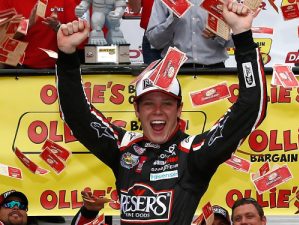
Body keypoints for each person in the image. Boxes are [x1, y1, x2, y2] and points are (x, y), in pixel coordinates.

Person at [55, 0, 267, 223]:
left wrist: (243, 37)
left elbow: (250, 108)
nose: (157, 111)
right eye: (148, 104)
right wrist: (67, 56)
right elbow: (77, 116)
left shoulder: (194, 153)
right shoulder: (124, 148)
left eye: (166, 103)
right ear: (136, 110)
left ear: (179, 110)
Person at [146, 0, 234, 68]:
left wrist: (219, 34)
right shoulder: (163, 1)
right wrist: (172, 19)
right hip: (174, 71)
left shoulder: (225, 1)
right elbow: (154, 41)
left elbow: (236, 41)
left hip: (215, 71)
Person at [128, 0, 162, 64]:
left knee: (176, 72)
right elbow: (135, 9)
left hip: (177, 35)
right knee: (151, 72)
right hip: (151, 35)